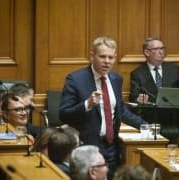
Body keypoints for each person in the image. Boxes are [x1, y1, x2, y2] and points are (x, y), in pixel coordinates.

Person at [59, 36, 147, 179]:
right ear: (92, 56)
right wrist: (87, 104)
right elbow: (63, 114)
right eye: (102, 57)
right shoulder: (75, 79)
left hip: (111, 145)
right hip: (87, 147)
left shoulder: (116, 79)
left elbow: (121, 111)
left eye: (110, 57)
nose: (107, 61)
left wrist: (146, 126)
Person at [129, 37, 179, 153]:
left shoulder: (173, 69)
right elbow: (133, 98)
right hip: (153, 115)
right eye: (157, 49)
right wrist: (139, 100)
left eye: (162, 48)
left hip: (175, 113)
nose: (161, 52)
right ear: (147, 52)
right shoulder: (138, 73)